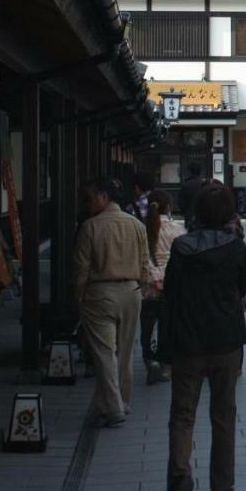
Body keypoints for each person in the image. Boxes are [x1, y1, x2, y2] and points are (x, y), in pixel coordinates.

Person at [162, 180, 246, 491]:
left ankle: (180, 478)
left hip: (188, 340)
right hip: (226, 339)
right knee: (223, 413)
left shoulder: (181, 247)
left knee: (182, 414)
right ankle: (221, 483)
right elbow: (242, 286)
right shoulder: (234, 247)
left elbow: (170, 291)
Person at [72, 177, 148, 428]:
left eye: (90, 197)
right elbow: (145, 262)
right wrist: (143, 288)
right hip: (131, 291)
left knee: (105, 353)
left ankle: (113, 407)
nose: (87, 203)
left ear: (104, 197)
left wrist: (79, 296)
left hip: (99, 294)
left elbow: (81, 269)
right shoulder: (136, 225)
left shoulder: (90, 227)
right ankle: (122, 401)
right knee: (126, 352)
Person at [140, 190, 183, 385]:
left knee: (147, 326)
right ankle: (166, 366)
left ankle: (150, 360)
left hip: (148, 287)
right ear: (168, 206)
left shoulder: (142, 229)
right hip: (171, 285)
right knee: (167, 326)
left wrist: (154, 276)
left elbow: (141, 259)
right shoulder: (177, 229)